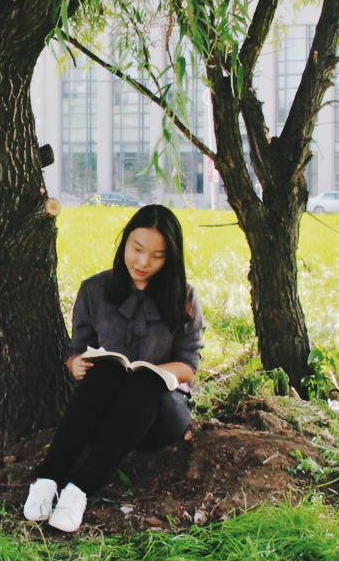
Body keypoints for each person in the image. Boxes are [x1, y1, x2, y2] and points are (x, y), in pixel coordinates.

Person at [25, 204, 205, 533]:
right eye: (137, 249)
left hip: (160, 412)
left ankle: (79, 490)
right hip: (104, 410)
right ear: (125, 242)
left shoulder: (184, 297)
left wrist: (151, 372)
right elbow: (77, 350)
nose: (143, 262)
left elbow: (189, 366)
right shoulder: (94, 290)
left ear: (170, 258)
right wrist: (76, 365)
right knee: (107, 371)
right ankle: (48, 478)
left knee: (145, 383)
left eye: (157, 256)